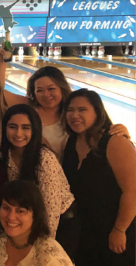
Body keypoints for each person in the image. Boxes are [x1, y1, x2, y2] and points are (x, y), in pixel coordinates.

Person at [0, 60, 129, 159]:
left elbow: (98, 127)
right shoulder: (29, 108)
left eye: (51, 89)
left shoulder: (73, 112)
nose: (46, 95)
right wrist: (3, 62)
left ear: (61, 88)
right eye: (39, 90)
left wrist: (119, 130)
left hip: (73, 175)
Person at [61, 89, 135, 266]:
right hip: (85, 229)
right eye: (70, 110)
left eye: (82, 109)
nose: (74, 115)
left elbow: (132, 191)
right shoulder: (71, 143)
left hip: (114, 227)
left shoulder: (115, 142)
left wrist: (119, 229)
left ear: (97, 112)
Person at [0, 104, 74, 240]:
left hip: (62, 223)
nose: (18, 133)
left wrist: (44, 246)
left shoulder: (45, 158)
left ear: (34, 130)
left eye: (25, 128)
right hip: (26, 222)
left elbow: (51, 211)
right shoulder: (3, 156)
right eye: (12, 127)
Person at [0, 180, 73, 266]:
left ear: (35, 215)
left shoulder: (51, 259)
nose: (11, 217)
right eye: (6, 208)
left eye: (20, 211)